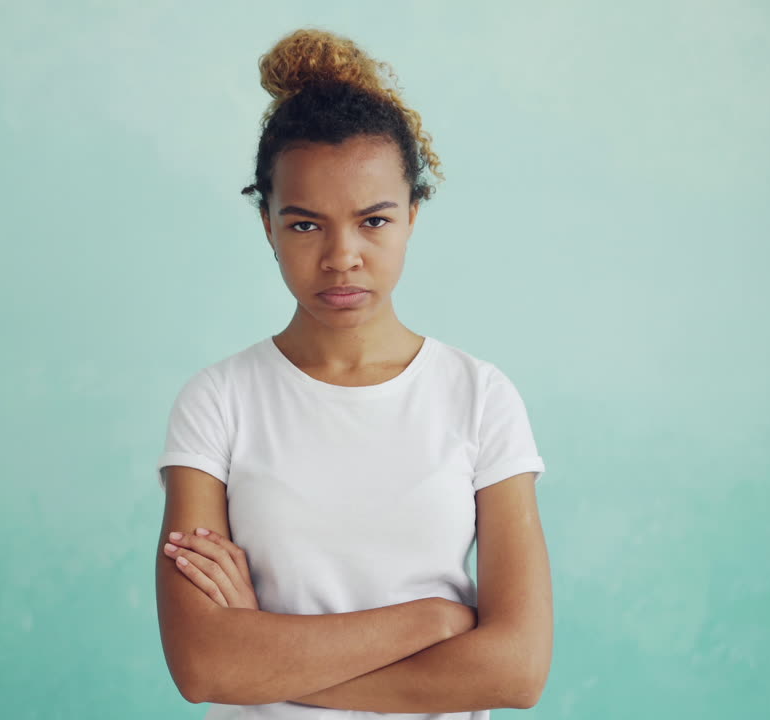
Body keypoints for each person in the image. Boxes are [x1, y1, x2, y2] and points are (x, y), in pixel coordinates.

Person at [154, 27, 553, 720]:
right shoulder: (218, 402)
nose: (342, 257)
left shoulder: (480, 397)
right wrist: (432, 620)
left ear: (412, 218)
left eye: (373, 220)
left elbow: (516, 672)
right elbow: (202, 664)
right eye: (306, 225)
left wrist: (263, 661)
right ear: (267, 223)